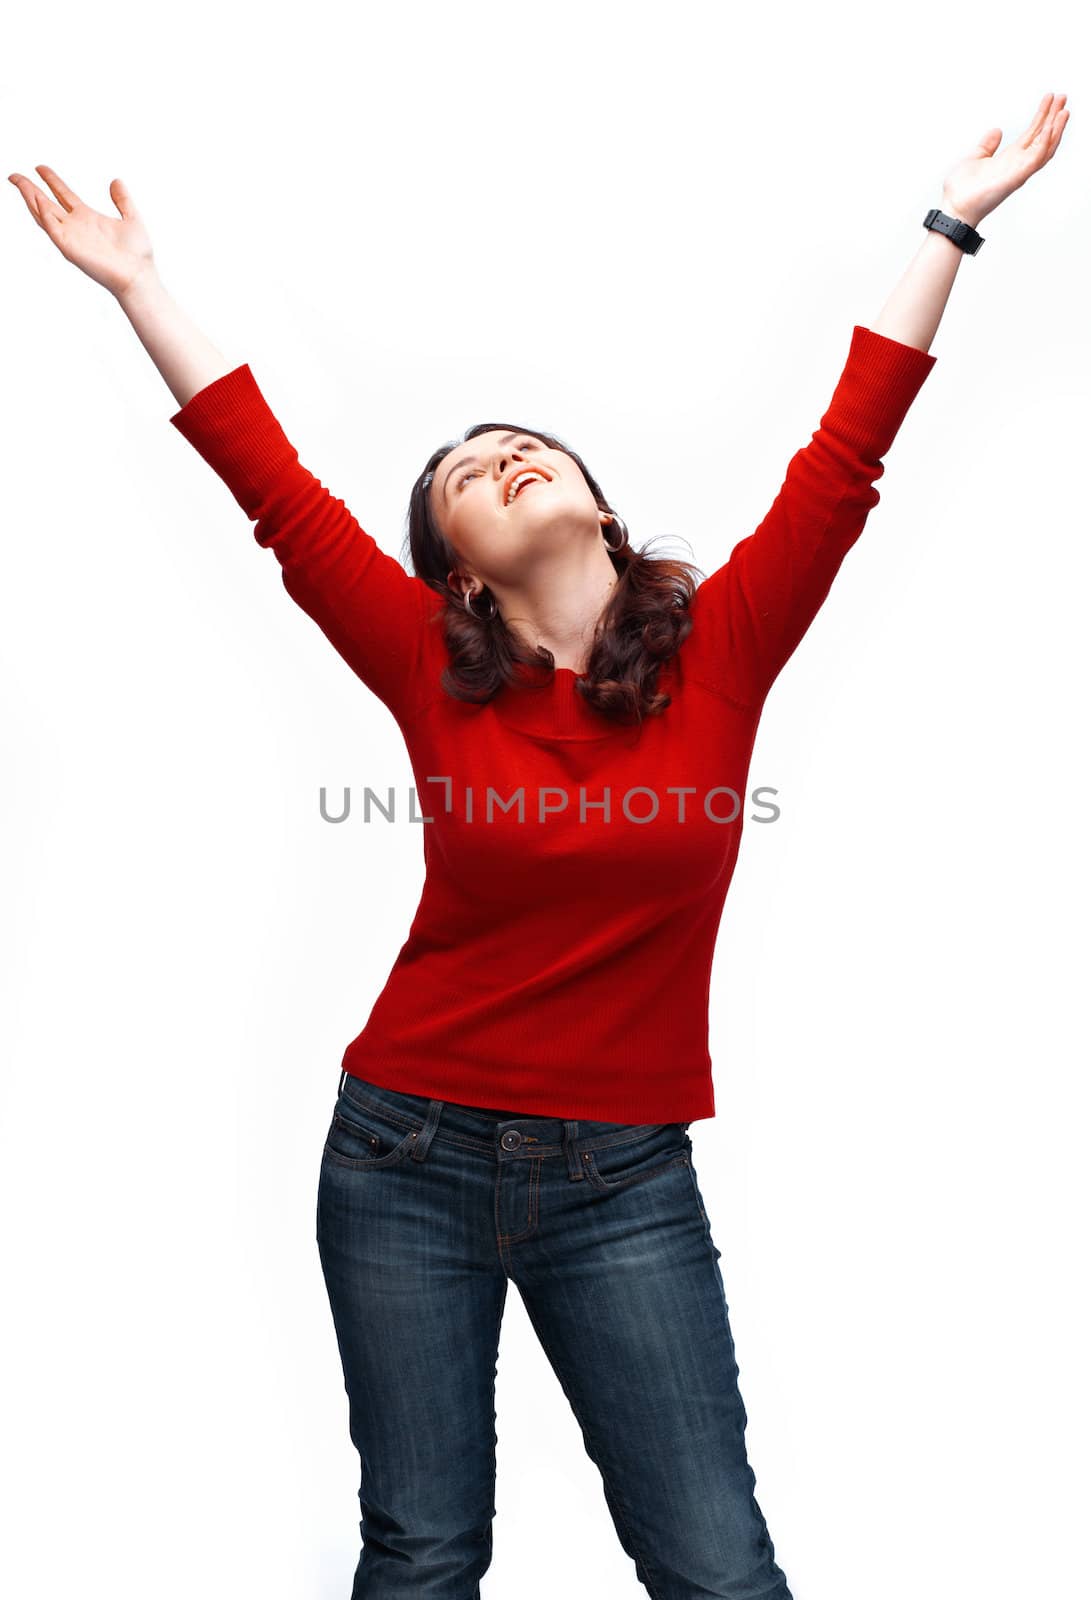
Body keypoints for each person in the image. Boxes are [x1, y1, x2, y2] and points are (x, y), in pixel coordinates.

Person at [8, 92, 1068, 1600]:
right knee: (426, 1553)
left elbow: (848, 451)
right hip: (403, 1154)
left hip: (626, 1177)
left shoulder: (729, 650)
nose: (502, 458)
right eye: (464, 476)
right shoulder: (423, 667)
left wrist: (951, 220)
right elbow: (273, 491)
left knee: (714, 1564)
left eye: (525, 446)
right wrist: (138, 285)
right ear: (454, 576)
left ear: (600, 511)